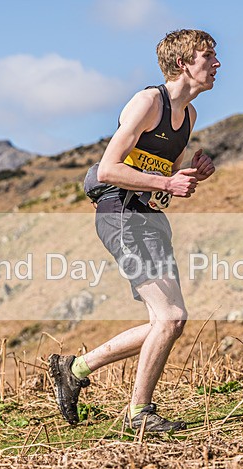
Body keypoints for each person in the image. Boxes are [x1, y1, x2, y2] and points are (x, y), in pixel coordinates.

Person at [49, 29, 220, 432]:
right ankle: (139, 414)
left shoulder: (189, 115)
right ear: (183, 64)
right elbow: (108, 168)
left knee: (164, 322)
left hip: (151, 217)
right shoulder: (147, 103)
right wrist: (167, 183)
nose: (216, 64)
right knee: (172, 318)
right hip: (120, 213)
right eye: (207, 56)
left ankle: (74, 368)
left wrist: (189, 175)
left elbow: (164, 174)